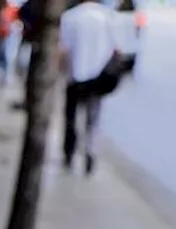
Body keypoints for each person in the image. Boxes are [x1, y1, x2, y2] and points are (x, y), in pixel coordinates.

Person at [60, 0, 118, 175]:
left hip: (74, 76)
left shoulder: (70, 17)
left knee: (71, 118)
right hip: (97, 77)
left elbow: (63, 49)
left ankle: (69, 151)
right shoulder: (107, 17)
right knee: (93, 119)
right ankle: (90, 152)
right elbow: (116, 48)